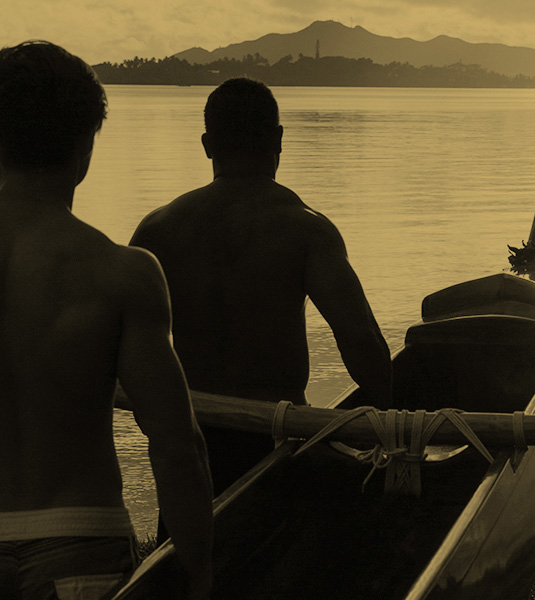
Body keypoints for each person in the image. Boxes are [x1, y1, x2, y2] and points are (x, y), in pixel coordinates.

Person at [0, 41, 213, 599]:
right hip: (80, 544)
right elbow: (174, 444)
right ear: (85, 146)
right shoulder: (122, 273)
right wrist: (200, 571)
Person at [130, 77, 392, 498]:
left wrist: (168, 432)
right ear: (279, 139)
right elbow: (362, 344)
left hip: (190, 444)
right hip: (274, 443)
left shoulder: (157, 230)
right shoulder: (306, 229)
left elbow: (131, 359)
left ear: (206, 143)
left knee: (182, 555)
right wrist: (394, 424)